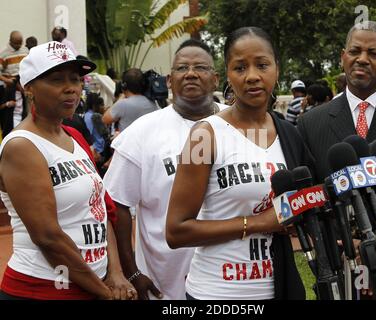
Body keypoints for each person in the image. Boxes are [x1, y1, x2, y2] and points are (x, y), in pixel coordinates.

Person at [166, 27, 312, 300]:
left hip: (278, 287)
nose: (253, 76)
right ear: (228, 75)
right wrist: (258, 222)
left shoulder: (290, 134)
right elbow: (176, 231)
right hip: (217, 293)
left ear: (277, 70)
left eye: (262, 64)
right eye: (240, 67)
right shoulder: (204, 135)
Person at [297, 21, 376, 299]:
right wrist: (341, 241)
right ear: (343, 56)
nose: (363, 59)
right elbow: (310, 195)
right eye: (355, 51)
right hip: (341, 267)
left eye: (373, 53)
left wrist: (375, 243)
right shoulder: (311, 123)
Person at [0, 41, 136, 300]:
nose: (71, 88)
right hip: (43, 290)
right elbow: (48, 237)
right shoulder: (22, 147)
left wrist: (116, 272)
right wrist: (104, 294)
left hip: (92, 283)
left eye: (75, 79)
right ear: (29, 88)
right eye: (56, 79)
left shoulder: (73, 136)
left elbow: (99, 208)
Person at [103, 39, 228, 300]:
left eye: (200, 68)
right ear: (170, 81)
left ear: (215, 79)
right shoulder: (141, 132)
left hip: (231, 279)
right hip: (167, 285)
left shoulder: (240, 124)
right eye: (182, 68)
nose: (191, 73)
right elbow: (116, 204)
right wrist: (132, 272)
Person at [102, 68, 158, 133]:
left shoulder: (123, 104)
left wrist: (120, 98)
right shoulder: (153, 103)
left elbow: (105, 119)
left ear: (124, 86)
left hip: (129, 142)